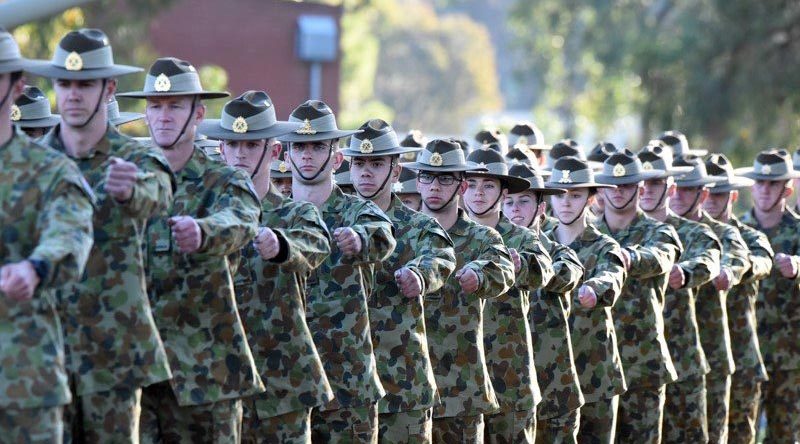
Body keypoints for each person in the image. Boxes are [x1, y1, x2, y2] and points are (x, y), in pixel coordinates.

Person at [29, 28, 177, 443]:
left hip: (114, 351)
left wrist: (131, 192)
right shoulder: (35, 163)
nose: (73, 94)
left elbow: (161, 191)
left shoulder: (134, 157)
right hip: (45, 351)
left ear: (109, 88)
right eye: (65, 83)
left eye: (85, 83)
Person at [119, 56, 264, 442]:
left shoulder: (223, 179)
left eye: (176, 106)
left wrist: (203, 232)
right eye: (156, 106)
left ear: (198, 113)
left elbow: (242, 220)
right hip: (139, 372)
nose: (164, 116)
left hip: (206, 373)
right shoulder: (125, 177)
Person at [201, 90, 335, 443]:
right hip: (218, 381)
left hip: (282, 383)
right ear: (221, 150)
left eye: (252, 144)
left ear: (274, 152)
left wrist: (281, 246)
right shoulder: (204, 214)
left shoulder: (294, 213)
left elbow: (316, 244)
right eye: (233, 144)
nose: (240, 154)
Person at [281, 100, 396, 443]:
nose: (307, 155)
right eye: (299, 146)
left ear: (336, 157)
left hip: (346, 387)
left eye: (318, 145)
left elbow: (382, 235)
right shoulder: (273, 215)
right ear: (285, 154)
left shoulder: (357, 211)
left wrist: (358, 240)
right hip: (284, 384)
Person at [0, 26, 95, 442]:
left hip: (25, 381)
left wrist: (36, 267)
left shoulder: (50, 170)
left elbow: (70, 231)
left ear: (17, 85)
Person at [345, 119, 456, 443]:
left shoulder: (416, 224)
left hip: (401, 381)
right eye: (359, 163)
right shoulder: (332, 219)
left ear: (395, 171)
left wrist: (420, 276)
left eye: (377, 163)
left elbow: (441, 256)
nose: (366, 172)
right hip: (346, 383)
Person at [403, 139, 515, 443]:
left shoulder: (481, 237)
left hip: (460, 390)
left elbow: (503, 269)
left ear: (461, 186)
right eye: (427, 176)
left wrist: (480, 275)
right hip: (405, 389)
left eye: (445, 178)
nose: (434, 186)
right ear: (417, 181)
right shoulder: (398, 231)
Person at [463, 148, 555, 443]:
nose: (479, 194)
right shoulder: (444, 233)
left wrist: (521, 265)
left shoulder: (521, 237)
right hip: (458, 377)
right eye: (473, 184)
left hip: (509, 373)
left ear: (503, 192)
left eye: (488, 185)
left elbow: (542, 271)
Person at [594, 151, 681, 443]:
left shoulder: (660, 231)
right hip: (594, 365)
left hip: (642, 364)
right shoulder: (585, 234)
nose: (618, 192)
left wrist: (630, 257)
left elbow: (661, 257)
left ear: (641, 190)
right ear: (601, 191)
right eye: (612, 185)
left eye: (627, 185)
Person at [637, 145, 720, 443]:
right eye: (642, 182)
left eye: (655, 182)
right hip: (634, 365)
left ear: (670, 188)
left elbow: (709, 260)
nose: (646, 189)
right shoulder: (616, 233)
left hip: (681, 356)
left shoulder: (693, 232)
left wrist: (684, 273)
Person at [545, 156, 627, 444]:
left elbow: (613, 275)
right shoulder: (539, 243)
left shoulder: (604, 244)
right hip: (548, 375)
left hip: (593, 371)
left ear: (592, 199)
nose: (566, 202)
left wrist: (594, 289)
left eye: (576, 195)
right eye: (559, 194)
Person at [671, 155, 750, 444]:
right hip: (665, 353)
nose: (678, 195)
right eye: (675, 188)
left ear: (700, 194)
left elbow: (735, 260)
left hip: (710, 347)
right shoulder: (656, 229)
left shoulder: (720, 233)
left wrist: (727, 273)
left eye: (687, 189)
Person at [704, 154, 772, 444]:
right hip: (698, 353)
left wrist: (734, 270)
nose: (710, 199)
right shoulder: (683, 234)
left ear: (732, 196)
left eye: (718, 193)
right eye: (705, 191)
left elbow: (759, 262)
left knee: (740, 435)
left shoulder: (749, 237)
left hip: (740, 350)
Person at [738, 149, 800, 442]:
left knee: (785, 436)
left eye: (772, 184)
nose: (764, 189)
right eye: (760, 183)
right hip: (746, 353)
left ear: (787, 188)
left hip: (791, 357)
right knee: (740, 433)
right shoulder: (736, 232)